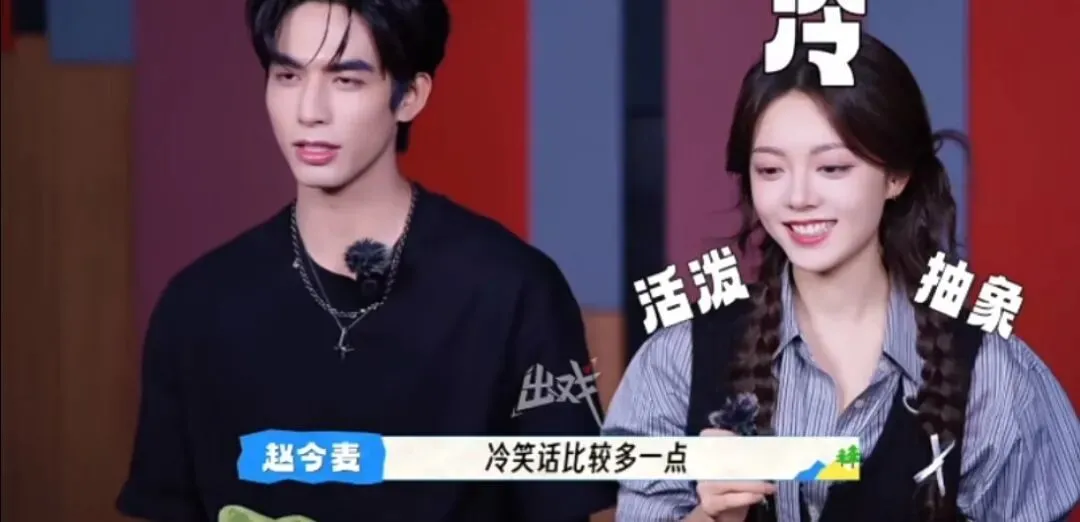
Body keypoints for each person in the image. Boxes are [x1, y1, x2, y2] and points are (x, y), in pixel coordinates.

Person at [116, 1, 616, 521]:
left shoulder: (516, 290)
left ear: (411, 95)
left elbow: (561, 504)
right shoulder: (198, 305)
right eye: (288, 76)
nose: (309, 110)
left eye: (346, 80)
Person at [602, 33, 1080, 522]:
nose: (798, 197)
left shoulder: (992, 375)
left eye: (831, 167)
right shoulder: (677, 361)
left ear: (896, 175)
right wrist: (711, 517)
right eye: (770, 170)